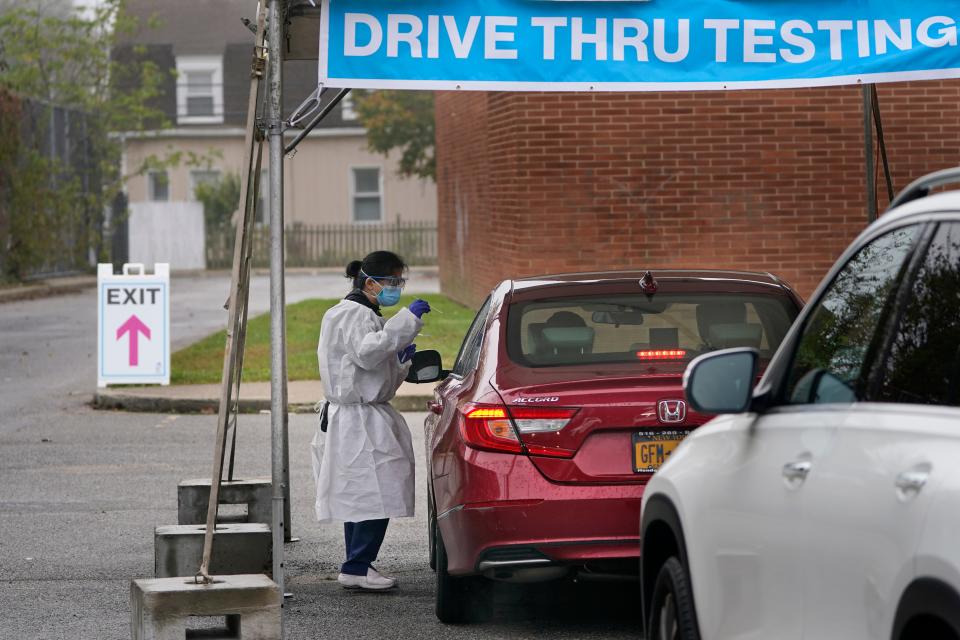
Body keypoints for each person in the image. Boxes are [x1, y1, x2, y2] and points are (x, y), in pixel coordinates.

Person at [311, 251, 431, 591]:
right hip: (358, 419)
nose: (397, 288)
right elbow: (367, 353)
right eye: (393, 282)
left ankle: (357, 563)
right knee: (376, 492)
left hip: (359, 415)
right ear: (371, 282)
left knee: (361, 494)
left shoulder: (356, 314)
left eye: (400, 282)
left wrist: (401, 363)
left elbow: (374, 369)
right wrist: (406, 321)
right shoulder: (354, 315)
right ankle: (357, 565)